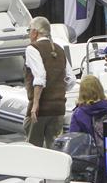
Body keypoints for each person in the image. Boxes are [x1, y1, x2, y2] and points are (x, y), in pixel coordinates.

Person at [24, 16, 75, 148]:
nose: (29, 33)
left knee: (33, 149)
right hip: (58, 109)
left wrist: (35, 105)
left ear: (35, 32)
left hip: (41, 109)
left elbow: (40, 77)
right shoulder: (60, 49)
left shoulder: (32, 48)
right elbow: (71, 79)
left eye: (29, 30)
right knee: (55, 149)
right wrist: (57, 91)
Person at [69, 75, 107, 146]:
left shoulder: (78, 113)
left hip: (91, 155)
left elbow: (73, 139)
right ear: (100, 88)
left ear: (81, 92)